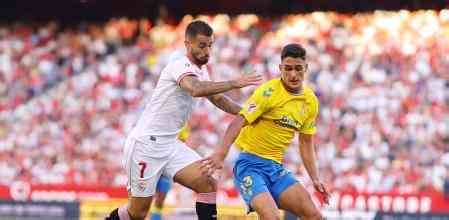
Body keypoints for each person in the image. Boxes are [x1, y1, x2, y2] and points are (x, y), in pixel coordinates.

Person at [106, 20, 262, 220]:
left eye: (210, 46)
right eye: (201, 45)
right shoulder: (178, 64)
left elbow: (218, 99)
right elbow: (195, 89)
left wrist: (247, 115)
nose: (207, 51)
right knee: (137, 213)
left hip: (170, 144)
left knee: (207, 182)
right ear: (187, 44)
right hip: (146, 145)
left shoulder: (201, 70)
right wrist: (233, 83)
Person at [202, 43, 330, 220]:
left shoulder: (310, 102)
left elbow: (306, 142)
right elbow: (239, 120)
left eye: (298, 69)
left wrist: (315, 179)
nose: (293, 74)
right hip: (249, 166)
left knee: (314, 215)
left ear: (306, 68)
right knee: (272, 217)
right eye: (288, 68)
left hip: (276, 170)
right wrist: (220, 154)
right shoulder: (268, 92)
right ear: (280, 68)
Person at [149, 125, 190, 220]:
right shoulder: (156, 120)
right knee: (143, 200)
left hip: (166, 168)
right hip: (151, 165)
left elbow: (181, 144)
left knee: (160, 201)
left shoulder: (183, 125)